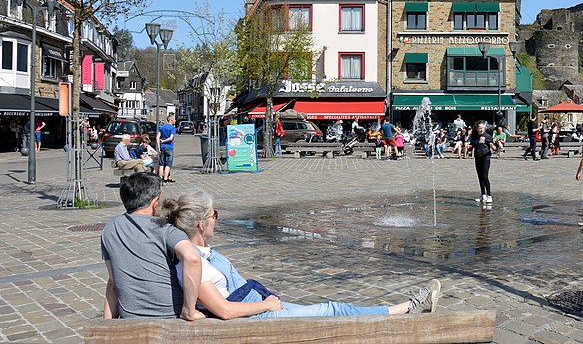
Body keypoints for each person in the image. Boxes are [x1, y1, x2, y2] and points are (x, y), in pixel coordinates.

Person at [163, 190, 441, 318]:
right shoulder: (193, 263)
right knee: (333, 309)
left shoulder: (196, 255)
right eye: (215, 215)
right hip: (258, 316)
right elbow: (223, 310)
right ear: (202, 223)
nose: (216, 220)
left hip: (258, 307)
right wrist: (267, 305)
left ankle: (403, 307)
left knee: (331, 308)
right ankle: (407, 308)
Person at [101, 173, 204, 320]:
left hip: (131, 318)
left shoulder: (111, 227)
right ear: (154, 202)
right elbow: (193, 258)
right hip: (170, 316)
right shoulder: (164, 228)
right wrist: (189, 310)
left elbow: (113, 281)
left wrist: (108, 325)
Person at [467, 121, 496, 204]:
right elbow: (472, 145)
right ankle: (483, 194)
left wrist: (493, 147)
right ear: (477, 129)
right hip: (477, 157)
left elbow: (491, 144)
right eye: (480, 128)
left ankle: (489, 195)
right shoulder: (475, 136)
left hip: (485, 158)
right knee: (480, 176)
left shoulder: (487, 136)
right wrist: (469, 146)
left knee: (485, 176)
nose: (481, 129)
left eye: (482, 128)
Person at [157, 115, 177, 183]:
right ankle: (165, 178)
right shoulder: (172, 128)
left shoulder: (162, 127)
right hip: (169, 147)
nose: (175, 120)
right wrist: (164, 141)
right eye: (174, 119)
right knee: (168, 164)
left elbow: (157, 137)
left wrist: (159, 146)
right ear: (171, 120)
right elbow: (171, 138)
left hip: (162, 147)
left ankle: (160, 178)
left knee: (161, 164)